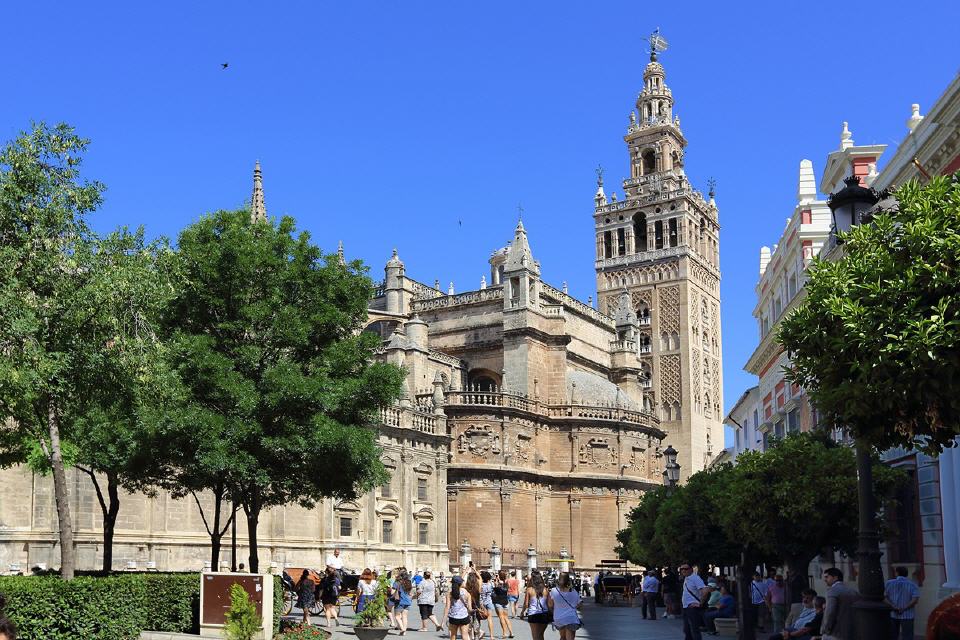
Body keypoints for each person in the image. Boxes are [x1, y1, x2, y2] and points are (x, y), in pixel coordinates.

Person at [819, 567, 860, 640]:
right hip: (852, 632)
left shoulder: (832, 591)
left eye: (826, 577)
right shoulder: (853, 591)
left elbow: (830, 613)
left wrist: (825, 629)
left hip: (836, 633)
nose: (824, 579)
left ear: (835, 577)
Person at [884, 566, 921, 640]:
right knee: (908, 636)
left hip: (893, 613)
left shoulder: (889, 583)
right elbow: (915, 600)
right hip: (908, 615)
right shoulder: (913, 584)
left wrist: (894, 607)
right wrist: (904, 608)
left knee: (892, 636)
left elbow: (885, 598)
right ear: (906, 574)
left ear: (897, 573)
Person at [549, 572, 582, 640]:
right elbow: (579, 605)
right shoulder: (573, 591)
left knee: (562, 637)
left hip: (559, 618)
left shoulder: (554, 591)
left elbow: (550, 604)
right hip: (571, 618)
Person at [680, 563, 707, 640]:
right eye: (682, 569)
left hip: (692, 608)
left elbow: (704, 591)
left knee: (694, 629)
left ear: (691, 569)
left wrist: (700, 603)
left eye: (686, 569)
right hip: (686, 607)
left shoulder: (695, 578)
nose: (683, 571)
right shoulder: (687, 578)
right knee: (687, 630)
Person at [523, 570, 552, 640]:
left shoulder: (529, 590)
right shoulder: (545, 590)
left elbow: (526, 604)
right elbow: (549, 604)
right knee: (541, 635)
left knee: (535, 635)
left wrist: (522, 612)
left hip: (533, 614)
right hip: (544, 614)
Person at [446, 575, 473, 640]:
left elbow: (447, 607)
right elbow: (470, 608)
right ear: (461, 583)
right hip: (464, 616)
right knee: (465, 636)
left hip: (453, 617)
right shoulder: (467, 593)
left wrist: (443, 621)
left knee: (453, 635)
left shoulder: (450, 593)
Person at [492, 570, 515, 638]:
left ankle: (504, 633)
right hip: (505, 601)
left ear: (499, 576)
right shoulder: (506, 583)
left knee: (501, 617)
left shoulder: (497, 583)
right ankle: (511, 632)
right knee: (506, 617)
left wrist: (496, 582)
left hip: (498, 602)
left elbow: (495, 590)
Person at [392, 569, 414, 636]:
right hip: (407, 601)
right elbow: (411, 593)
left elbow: (392, 592)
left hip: (399, 601)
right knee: (405, 617)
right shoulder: (409, 582)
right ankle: (404, 631)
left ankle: (402, 629)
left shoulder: (397, 583)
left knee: (397, 616)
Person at [466, 571, 485, 640]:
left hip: (468, 608)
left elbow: (461, 580)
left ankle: (471, 637)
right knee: (477, 625)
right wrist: (475, 570)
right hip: (477, 608)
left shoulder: (466, 588)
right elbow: (480, 579)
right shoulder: (478, 588)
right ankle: (476, 636)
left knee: (469, 626)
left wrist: (465, 571)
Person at [479, 571, 497, 640]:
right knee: (490, 619)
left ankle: (478, 632)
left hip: (481, 603)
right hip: (489, 602)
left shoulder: (480, 585)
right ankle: (491, 636)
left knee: (479, 619)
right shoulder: (491, 584)